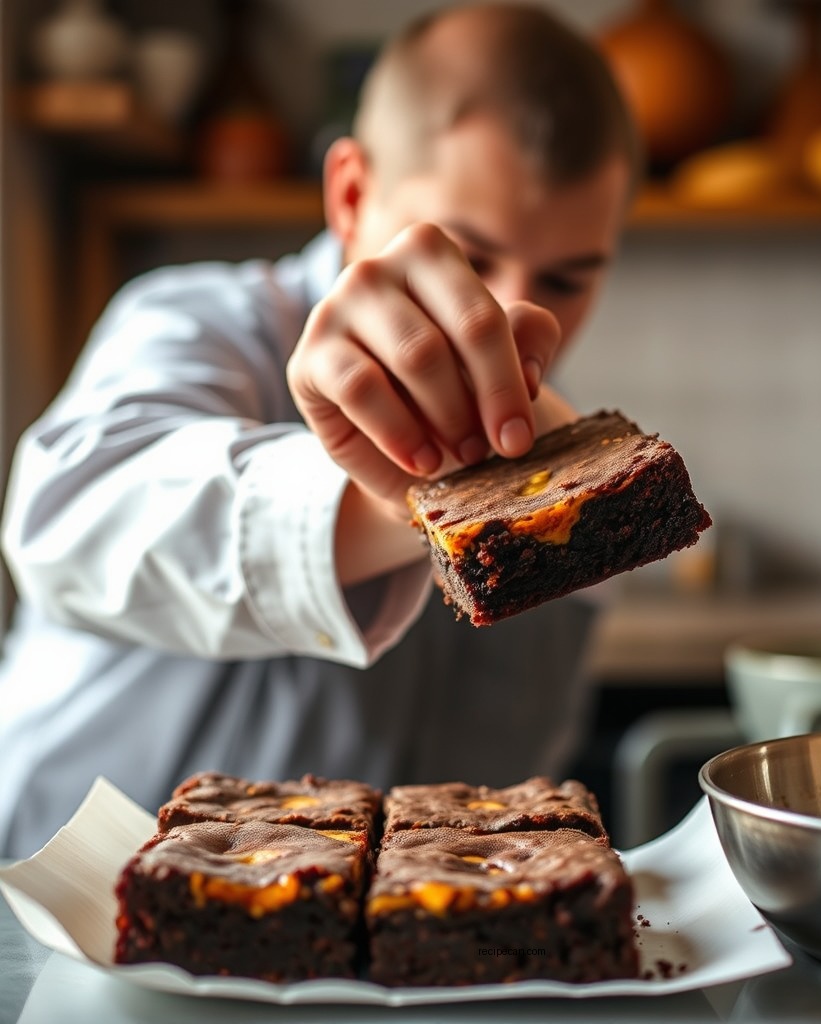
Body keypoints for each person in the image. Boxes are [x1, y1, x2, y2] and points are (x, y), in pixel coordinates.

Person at [0, 3, 639, 857]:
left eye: (567, 277)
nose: (509, 309)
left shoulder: (559, 471)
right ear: (349, 193)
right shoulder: (194, 325)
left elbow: (494, 778)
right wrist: (415, 490)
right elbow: (64, 525)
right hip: (56, 905)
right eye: (467, 255)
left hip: (351, 956)